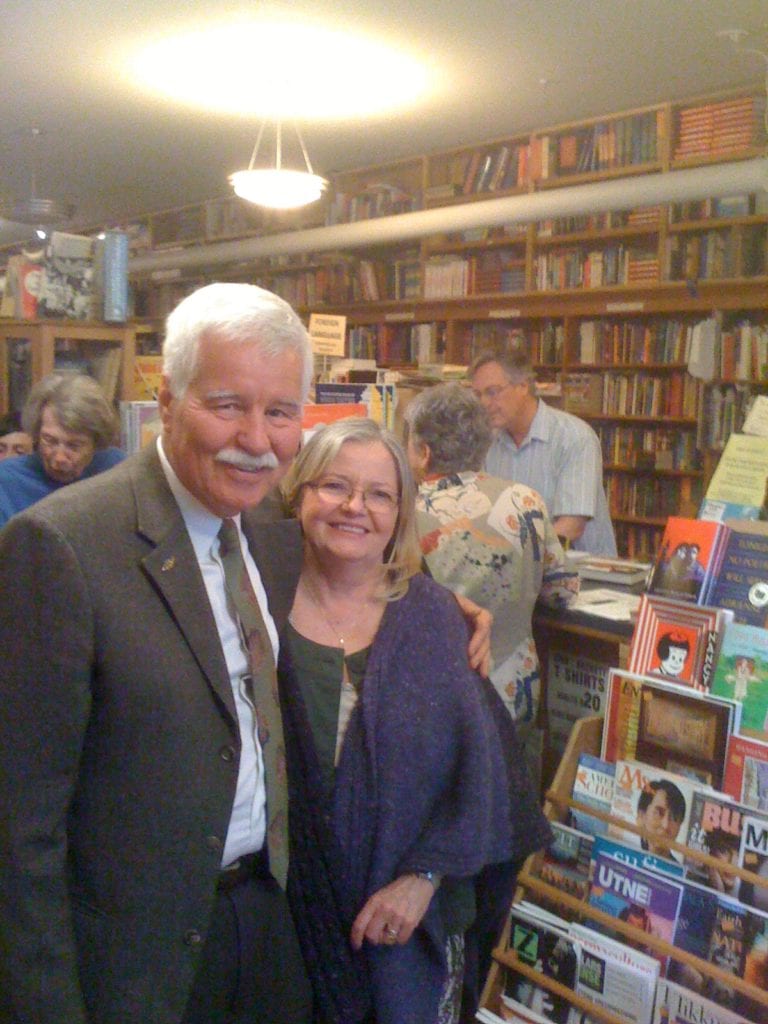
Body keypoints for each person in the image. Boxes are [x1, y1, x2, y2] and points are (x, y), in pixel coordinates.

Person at [0, 283, 492, 1024]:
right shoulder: (62, 546)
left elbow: (359, 566)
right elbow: (18, 829)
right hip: (142, 955)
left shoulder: (265, 527)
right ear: (166, 401)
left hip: (271, 923)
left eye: (280, 412)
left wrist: (439, 608)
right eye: (227, 405)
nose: (257, 440)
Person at [278, 417, 551, 1024]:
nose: (355, 507)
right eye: (334, 487)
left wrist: (424, 877)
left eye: (379, 494)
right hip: (282, 926)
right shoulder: (255, 602)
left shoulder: (432, 618)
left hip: (412, 926)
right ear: (299, 492)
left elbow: (483, 779)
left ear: (402, 512)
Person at [403, 382, 578, 783]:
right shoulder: (525, 501)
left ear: (424, 451)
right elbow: (562, 589)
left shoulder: (402, 509)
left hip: (434, 698)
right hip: (514, 691)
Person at [469, 349, 617, 555]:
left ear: (523, 386)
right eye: (478, 395)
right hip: (512, 570)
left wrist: (512, 557)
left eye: (492, 392)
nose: (484, 403)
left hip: (581, 573)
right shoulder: (487, 442)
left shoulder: (574, 436)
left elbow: (572, 526)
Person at [0, 372, 125, 525]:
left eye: (74, 446)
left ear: (96, 443)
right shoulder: (7, 481)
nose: (59, 458)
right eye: (49, 441)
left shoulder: (117, 471)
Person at [636, 779, 687, 860]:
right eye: (659, 813)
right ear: (641, 815)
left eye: (674, 817)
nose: (665, 825)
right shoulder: (622, 855)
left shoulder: (678, 871)